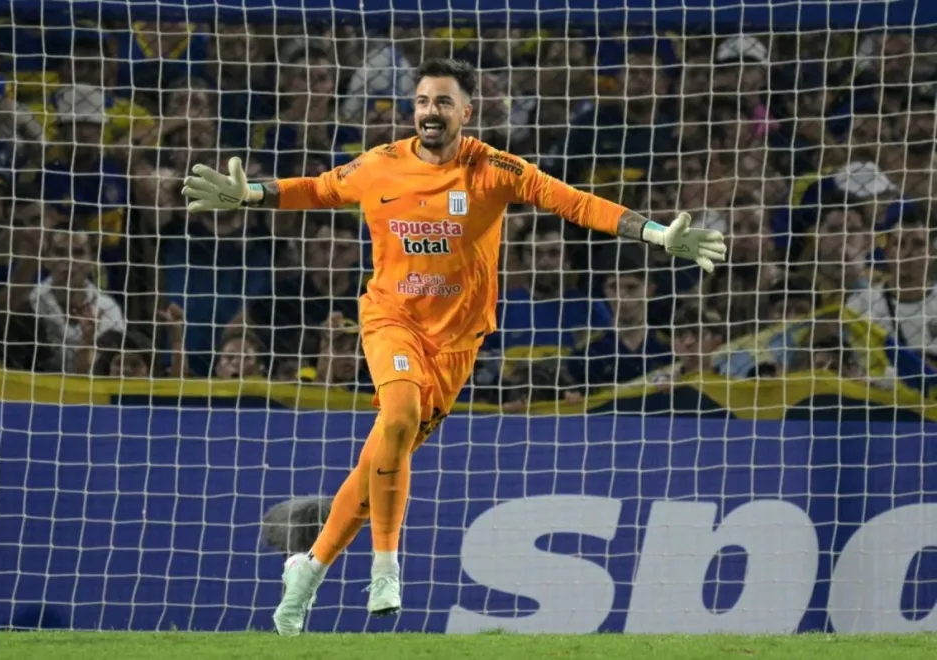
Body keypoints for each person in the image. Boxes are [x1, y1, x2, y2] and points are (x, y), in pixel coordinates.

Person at [180, 58, 726, 636]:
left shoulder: (492, 168)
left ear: (467, 111)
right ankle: (385, 568)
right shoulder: (381, 164)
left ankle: (308, 569)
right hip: (391, 319)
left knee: (379, 462)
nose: (429, 111)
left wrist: (657, 232)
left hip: (457, 343)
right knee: (397, 416)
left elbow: (575, 202)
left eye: (442, 102)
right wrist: (254, 194)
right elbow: (317, 189)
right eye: (421, 101)